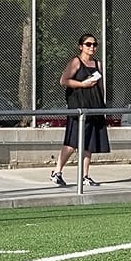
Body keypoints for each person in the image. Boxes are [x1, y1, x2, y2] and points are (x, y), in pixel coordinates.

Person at [51, 33, 109, 186]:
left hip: (94, 107)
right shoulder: (75, 62)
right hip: (78, 107)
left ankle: (85, 175)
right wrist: (83, 84)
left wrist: (102, 105)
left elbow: (101, 85)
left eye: (94, 44)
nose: (92, 47)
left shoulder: (98, 64)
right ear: (81, 46)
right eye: (88, 44)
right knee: (72, 142)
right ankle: (57, 172)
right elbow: (63, 80)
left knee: (89, 142)